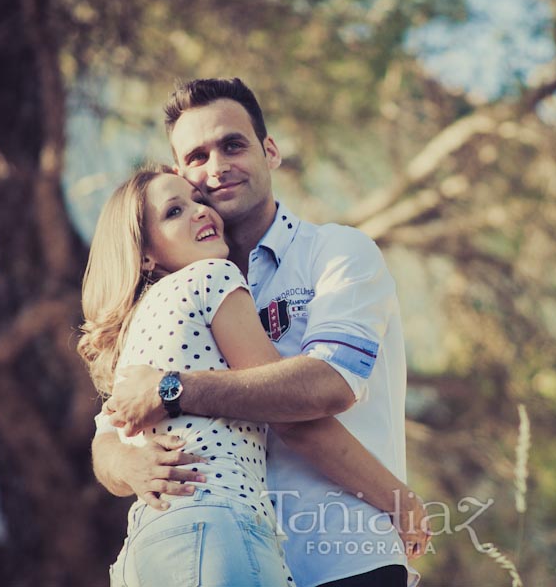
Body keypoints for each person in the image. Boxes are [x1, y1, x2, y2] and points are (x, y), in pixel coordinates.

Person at [94, 78, 425, 587]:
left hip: (343, 556)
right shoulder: (174, 294)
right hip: (225, 548)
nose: (217, 167)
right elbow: (109, 438)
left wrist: (174, 389)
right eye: (197, 156)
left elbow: (325, 387)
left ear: (270, 151)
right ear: (182, 174)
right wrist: (133, 467)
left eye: (233, 145)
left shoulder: (337, 254)